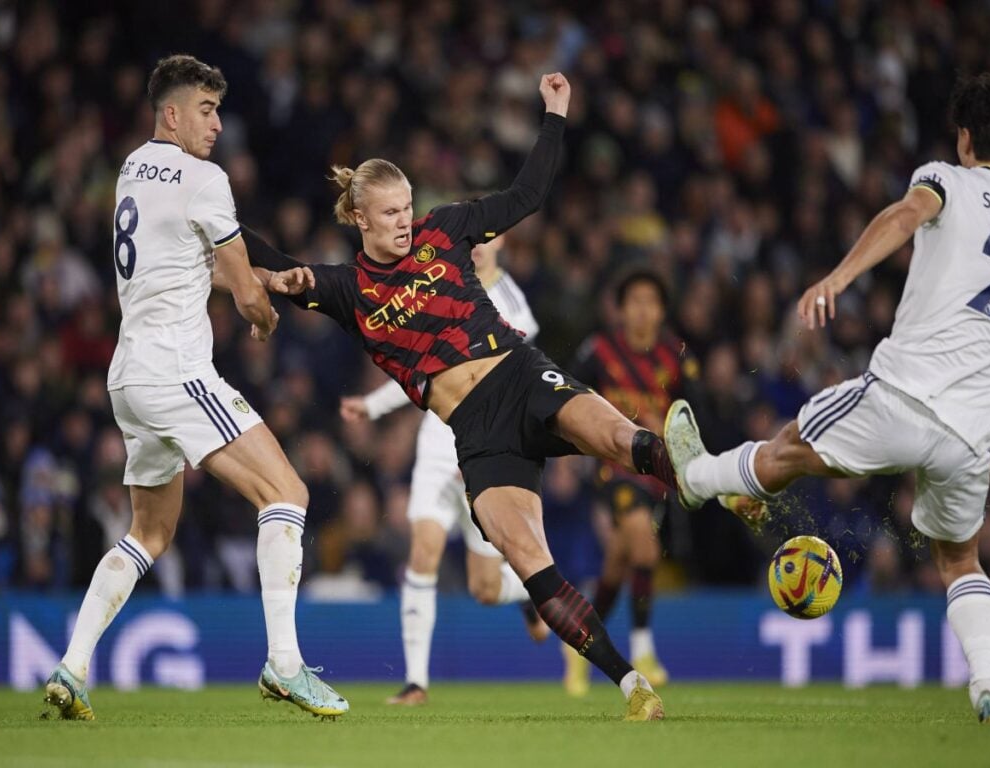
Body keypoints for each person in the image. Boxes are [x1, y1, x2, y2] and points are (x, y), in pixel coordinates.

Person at [242, 72, 754, 720]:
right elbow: (270, 261)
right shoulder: (347, 289)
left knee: (619, 437)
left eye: (407, 207)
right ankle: (630, 684)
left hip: (520, 374)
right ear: (361, 218)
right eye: (390, 213)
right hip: (476, 433)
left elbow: (527, 195)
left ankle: (718, 482)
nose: (404, 221)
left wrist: (556, 114)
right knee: (530, 566)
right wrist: (211, 223)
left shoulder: (446, 227)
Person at [665, 73, 990, 725]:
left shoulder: (947, 179)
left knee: (789, 447)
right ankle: (988, 687)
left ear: (966, 139)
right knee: (961, 558)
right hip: (971, 433)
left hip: (905, 395)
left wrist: (839, 276)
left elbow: (905, 215)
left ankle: (697, 477)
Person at [43, 54, 348, 721]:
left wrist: (261, 279)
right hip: (178, 371)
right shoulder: (205, 178)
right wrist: (263, 310)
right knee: (287, 494)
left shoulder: (132, 168)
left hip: (129, 377)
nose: (217, 125)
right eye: (206, 111)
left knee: (150, 532)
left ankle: (71, 666)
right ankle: (285, 664)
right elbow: (242, 291)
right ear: (173, 113)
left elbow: (183, 264)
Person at [339, 233, 549, 706]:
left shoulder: (513, 304)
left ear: (503, 241)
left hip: (483, 454)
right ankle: (415, 682)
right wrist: (372, 406)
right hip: (438, 444)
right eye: (473, 238)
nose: (477, 246)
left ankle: (525, 593)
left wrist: (494, 450)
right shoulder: (441, 288)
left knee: (485, 588)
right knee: (424, 551)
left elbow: (520, 390)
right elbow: (423, 371)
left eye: (488, 238)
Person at [562, 268, 696, 696]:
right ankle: (642, 649)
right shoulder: (599, 352)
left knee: (619, 561)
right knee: (644, 545)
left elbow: (694, 419)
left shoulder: (675, 357)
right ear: (620, 309)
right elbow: (566, 398)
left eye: (650, 302)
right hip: (612, 467)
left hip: (656, 475)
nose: (642, 310)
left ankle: (579, 644)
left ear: (661, 311)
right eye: (634, 301)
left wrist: (670, 431)